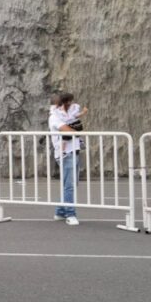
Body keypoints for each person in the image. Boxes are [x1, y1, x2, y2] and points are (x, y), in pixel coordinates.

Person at [49, 92, 85, 226]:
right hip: (65, 153)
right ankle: (70, 214)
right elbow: (66, 130)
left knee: (70, 185)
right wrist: (76, 128)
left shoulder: (66, 115)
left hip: (73, 150)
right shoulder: (55, 117)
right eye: (68, 103)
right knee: (69, 186)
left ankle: (60, 212)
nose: (71, 105)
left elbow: (74, 126)